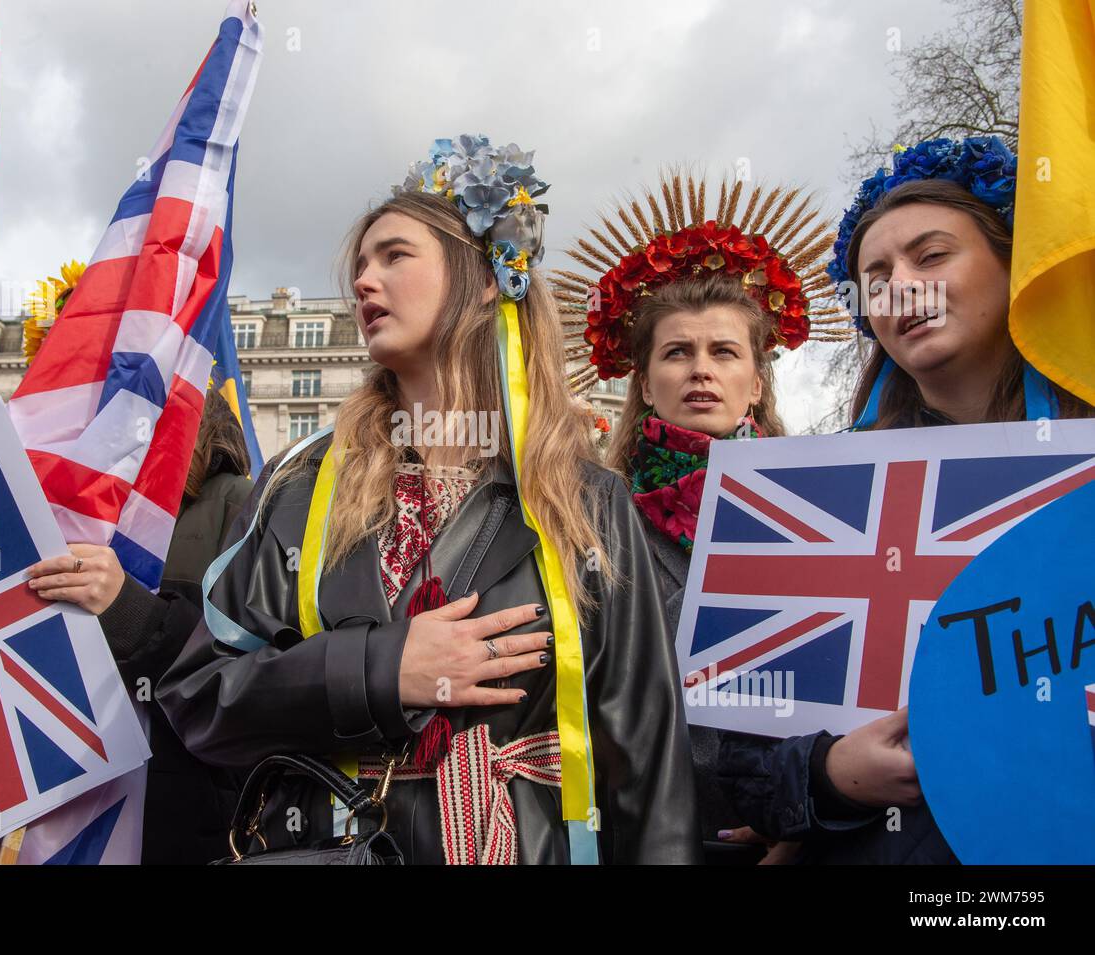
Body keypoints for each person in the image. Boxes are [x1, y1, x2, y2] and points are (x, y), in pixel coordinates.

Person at [157, 134, 700, 864]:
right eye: (359, 266)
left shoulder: (586, 502)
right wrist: (382, 670)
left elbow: (648, 765)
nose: (364, 283)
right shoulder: (297, 486)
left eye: (394, 256)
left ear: (481, 280)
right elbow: (200, 698)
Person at [718, 136, 1094, 864]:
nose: (900, 286)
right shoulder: (811, 500)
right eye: (877, 274)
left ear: (1014, 263)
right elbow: (737, 755)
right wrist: (827, 776)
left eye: (931, 255)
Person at [551, 174, 851, 862]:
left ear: (756, 378)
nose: (701, 370)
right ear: (646, 380)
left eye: (723, 352)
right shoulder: (589, 514)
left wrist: (798, 811)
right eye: (677, 352)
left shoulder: (821, 508)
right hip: (636, 831)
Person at [26, 388, 254, 863]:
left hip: (181, 812)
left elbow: (251, 674)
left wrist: (128, 610)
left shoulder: (240, 505)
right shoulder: (93, 513)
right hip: (71, 789)